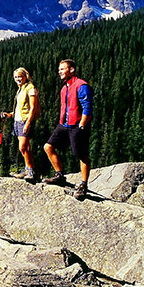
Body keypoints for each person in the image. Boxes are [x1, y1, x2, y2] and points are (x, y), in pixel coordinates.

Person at [43, 59, 92, 200]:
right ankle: (59, 175)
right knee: (48, 147)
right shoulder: (65, 87)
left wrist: (82, 124)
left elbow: (87, 106)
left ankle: (83, 185)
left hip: (77, 125)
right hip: (64, 124)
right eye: (59, 69)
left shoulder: (81, 85)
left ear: (72, 70)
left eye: (63, 69)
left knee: (81, 155)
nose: (60, 72)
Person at [1, 67, 40, 182]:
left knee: (22, 147)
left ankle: (31, 171)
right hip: (17, 120)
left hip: (25, 121)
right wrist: (9, 114)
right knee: (26, 147)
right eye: (16, 77)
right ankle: (28, 168)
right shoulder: (20, 89)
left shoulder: (30, 88)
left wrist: (28, 123)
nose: (18, 79)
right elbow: (20, 108)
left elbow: (32, 108)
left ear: (25, 76)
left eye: (20, 76)